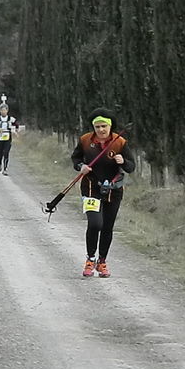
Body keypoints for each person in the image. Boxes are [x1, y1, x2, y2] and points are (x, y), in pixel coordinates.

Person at [70, 108, 135, 278]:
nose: (100, 130)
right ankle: (90, 259)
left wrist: (123, 161)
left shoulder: (120, 142)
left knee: (107, 227)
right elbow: (76, 158)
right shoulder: (85, 140)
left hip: (114, 189)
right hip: (91, 187)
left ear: (110, 126)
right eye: (97, 126)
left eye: (103, 126)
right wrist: (81, 167)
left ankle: (102, 261)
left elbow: (131, 167)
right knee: (95, 223)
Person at [0, 103, 20, 175]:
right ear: (0, 111)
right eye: (2, 110)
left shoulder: (10, 119)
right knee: (0, 153)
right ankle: (0, 163)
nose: (3, 111)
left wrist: (16, 131)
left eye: (5, 110)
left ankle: (5, 169)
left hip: (8, 137)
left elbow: (17, 124)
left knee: (6, 153)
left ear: (7, 110)